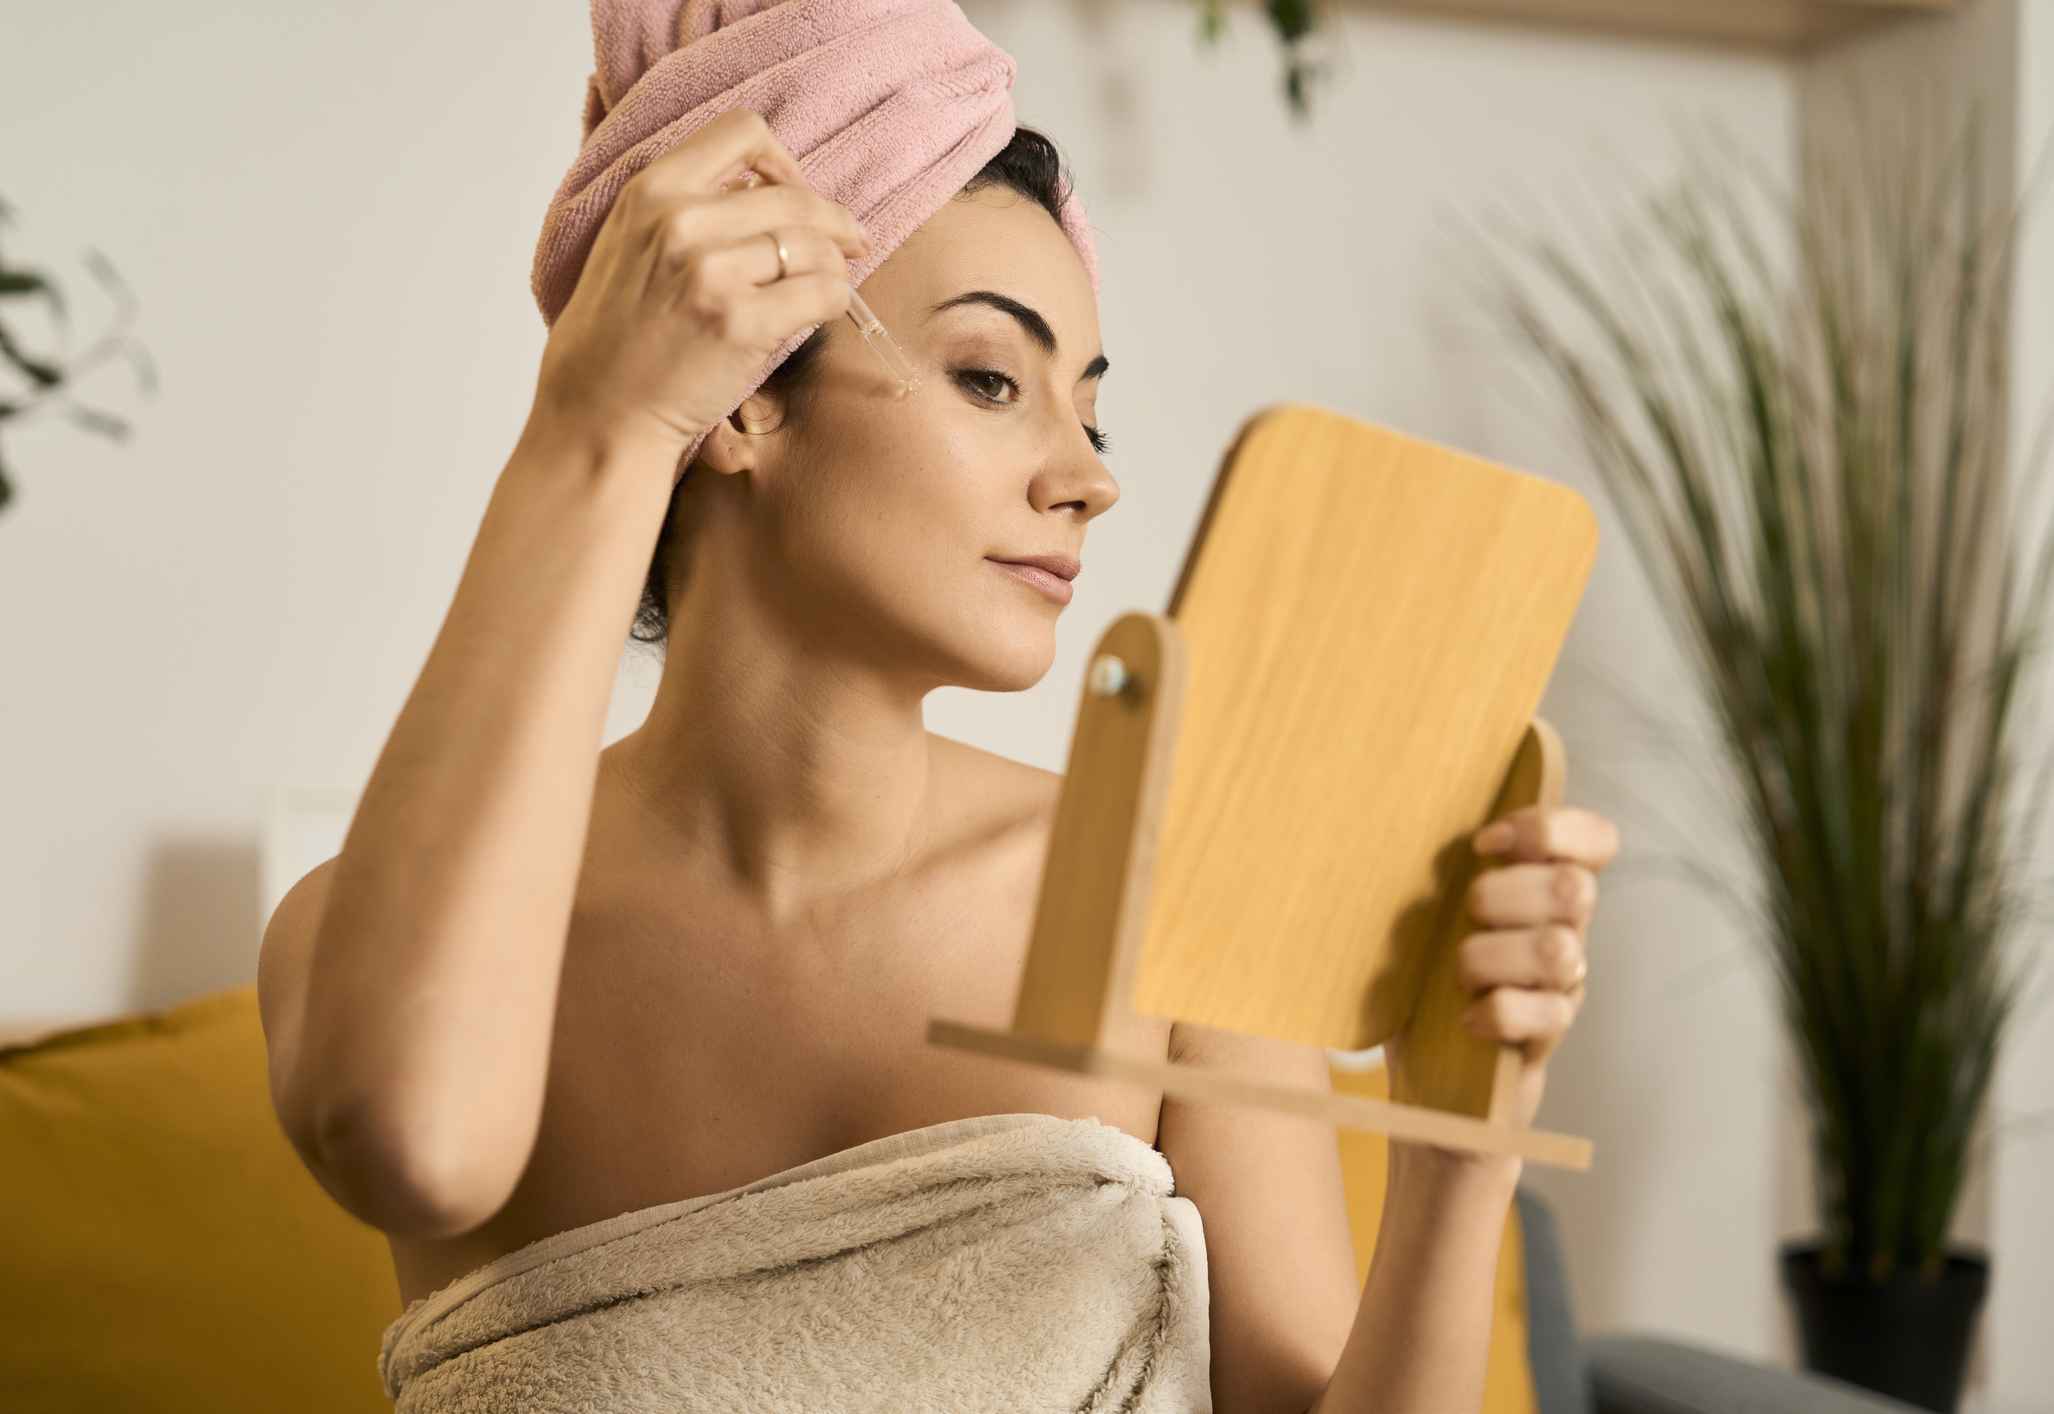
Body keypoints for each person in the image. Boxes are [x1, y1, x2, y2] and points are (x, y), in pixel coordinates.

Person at [257, 1, 1618, 1408]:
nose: (1087, 477)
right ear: (738, 402)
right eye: (989, 377)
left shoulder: (1167, 907)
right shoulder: (358, 938)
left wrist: (1458, 1152)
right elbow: (410, 1135)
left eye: (1090, 409)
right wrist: (591, 421)